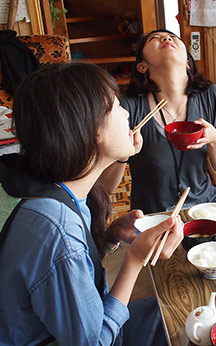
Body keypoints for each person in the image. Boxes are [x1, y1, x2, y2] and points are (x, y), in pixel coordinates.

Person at [0, 62, 183, 345]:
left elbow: (71, 270)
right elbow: (94, 342)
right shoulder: (56, 229)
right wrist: (134, 260)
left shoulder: (51, 187)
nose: (126, 114)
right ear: (91, 128)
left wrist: (109, 236)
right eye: (115, 106)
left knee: (179, 312)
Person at [100, 29, 216, 214]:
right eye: (154, 39)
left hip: (206, 206)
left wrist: (215, 139)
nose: (166, 38)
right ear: (142, 66)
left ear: (187, 62)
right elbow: (104, 188)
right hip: (154, 215)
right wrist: (124, 153)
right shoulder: (127, 108)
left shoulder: (212, 95)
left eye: (173, 37)